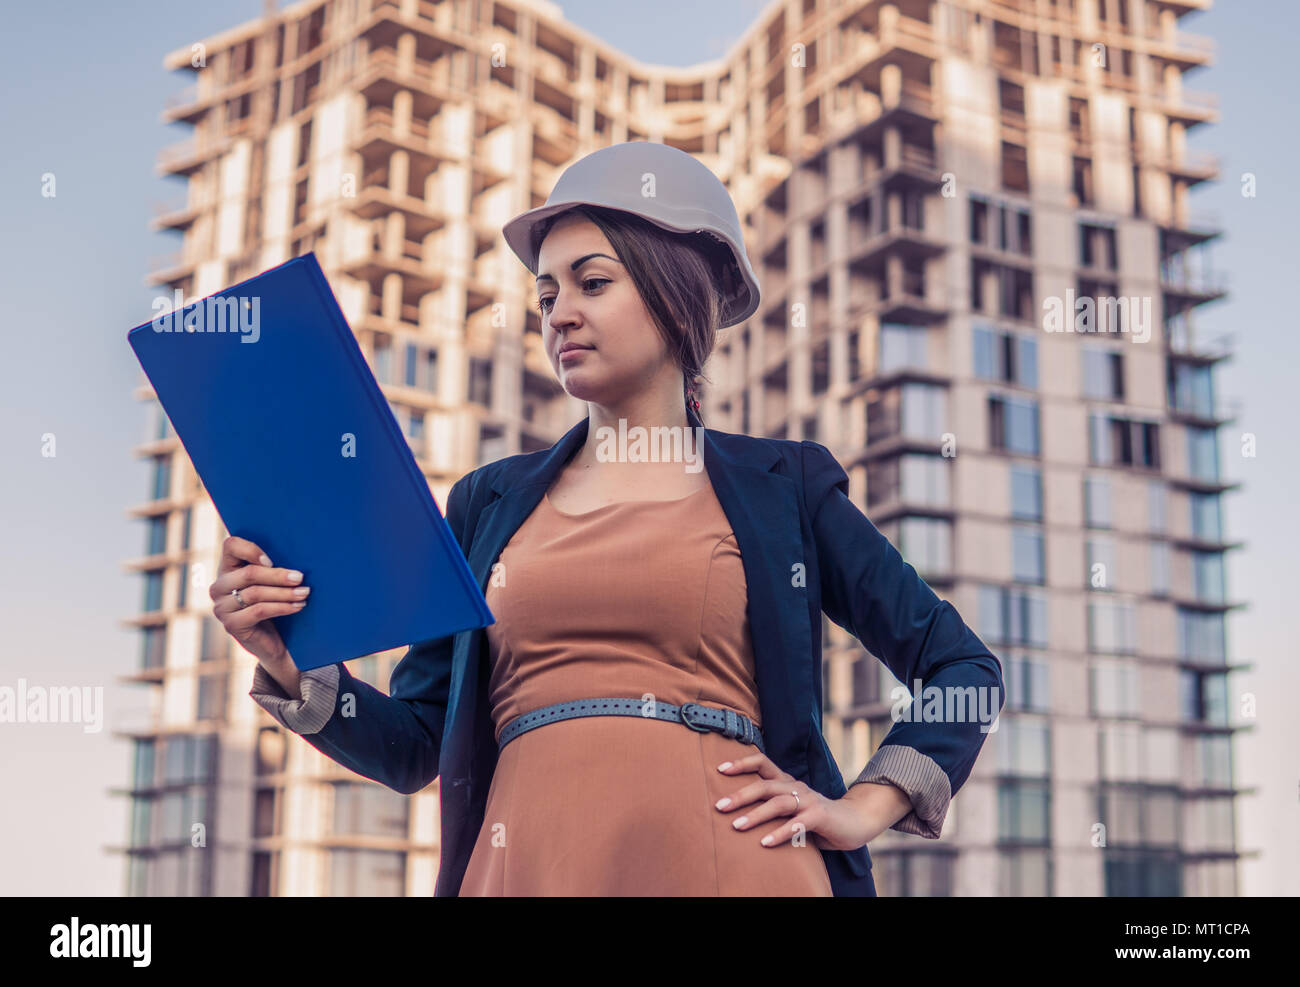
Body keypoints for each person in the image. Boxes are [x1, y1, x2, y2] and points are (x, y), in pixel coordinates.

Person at [215, 140, 1005, 896]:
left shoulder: (783, 488)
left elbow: (963, 667)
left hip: (736, 866)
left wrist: (862, 806)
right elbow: (417, 745)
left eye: (592, 283)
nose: (558, 314)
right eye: (547, 294)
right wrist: (292, 665)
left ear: (675, 291)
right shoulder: (485, 503)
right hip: (520, 867)